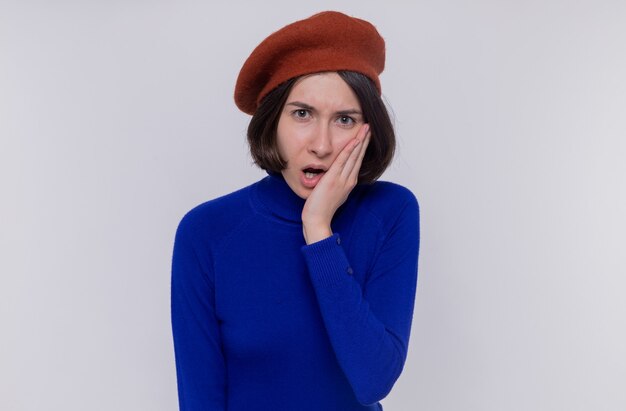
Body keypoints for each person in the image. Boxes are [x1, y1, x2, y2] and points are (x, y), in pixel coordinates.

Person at [170, 11, 420, 411]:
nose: (321, 144)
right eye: (302, 114)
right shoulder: (207, 231)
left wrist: (318, 230)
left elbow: (373, 378)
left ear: (367, 129)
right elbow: (200, 397)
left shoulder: (390, 213)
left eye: (344, 119)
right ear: (273, 123)